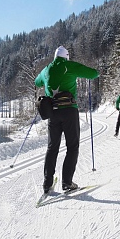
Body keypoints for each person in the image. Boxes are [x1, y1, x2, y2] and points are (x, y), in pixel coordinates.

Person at [35, 46, 99, 194]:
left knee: (52, 148)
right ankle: (67, 182)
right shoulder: (70, 66)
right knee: (72, 146)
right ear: (67, 56)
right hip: (69, 111)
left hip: (53, 113)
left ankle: (47, 184)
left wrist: (46, 82)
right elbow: (93, 74)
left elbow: (37, 82)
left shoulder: (46, 69)